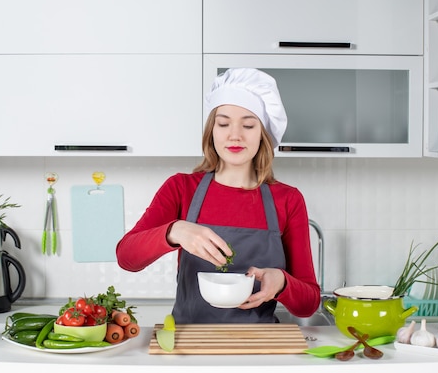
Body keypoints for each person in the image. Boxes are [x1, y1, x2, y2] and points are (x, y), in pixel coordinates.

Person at [116, 68, 320, 323]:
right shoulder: (181, 188)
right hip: (189, 344)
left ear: (263, 134)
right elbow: (126, 257)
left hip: (259, 346)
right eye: (223, 123)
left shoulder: (288, 200)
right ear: (212, 130)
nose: (235, 135)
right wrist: (174, 231)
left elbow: (309, 304)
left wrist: (282, 283)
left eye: (248, 124)